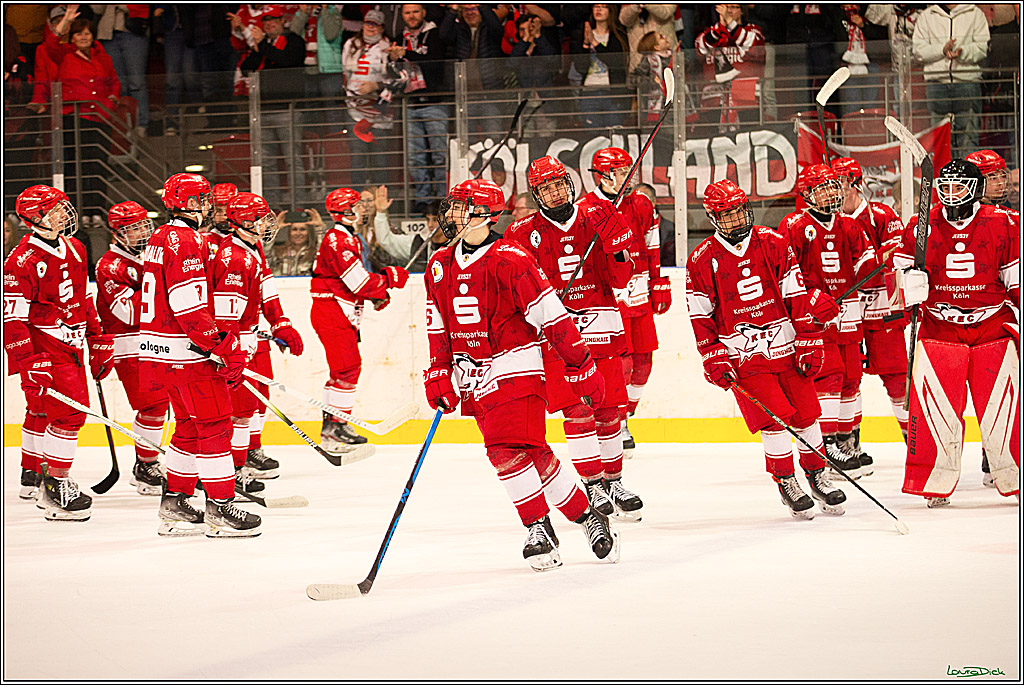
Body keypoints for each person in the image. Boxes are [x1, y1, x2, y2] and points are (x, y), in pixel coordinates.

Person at [424, 178, 619, 570]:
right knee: (530, 450)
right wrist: (438, 372)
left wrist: (580, 365)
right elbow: (437, 327)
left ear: (484, 215)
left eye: (460, 207)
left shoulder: (511, 259)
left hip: (517, 367)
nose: (450, 214)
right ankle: (586, 516)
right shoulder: (439, 264)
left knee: (502, 449)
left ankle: (537, 527)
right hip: (473, 376)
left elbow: (553, 318)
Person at [687, 180, 847, 519]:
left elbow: (796, 294)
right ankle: (786, 480)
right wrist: (712, 355)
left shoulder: (774, 242)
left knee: (806, 415)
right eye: (726, 215)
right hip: (744, 355)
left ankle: (817, 474)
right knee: (775, 420)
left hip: (787, 345)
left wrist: (808, 339)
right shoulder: (701, 260)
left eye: (737, 211)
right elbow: (700, 314)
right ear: (714, 218)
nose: (734, 219)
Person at [506, 156, 643, 521]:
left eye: (558, 183)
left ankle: (614, 481)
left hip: (604, 327)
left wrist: (616, 246)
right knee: (579, 411)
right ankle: (593, 485)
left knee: (610, 410)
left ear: (569, 183)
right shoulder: (520, 234)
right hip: (558, 339)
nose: (554, 192)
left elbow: (619, 279)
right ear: (536, 193)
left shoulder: (598, 217)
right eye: (545, 187)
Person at [889, 160, 1019, 506]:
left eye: (957, 188)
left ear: (975, 191)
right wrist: (909, 285)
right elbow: (898, 280)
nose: (949, 195)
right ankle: (933, 479)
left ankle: (1015, 476)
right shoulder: (921, 224)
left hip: (991, 325)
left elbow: (1016, 280)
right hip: (939, 327)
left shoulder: (1003, 222)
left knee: (1003, 409)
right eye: (944, 188)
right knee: (936, 410)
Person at [140, 172, 260, 538]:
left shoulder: (159, 236)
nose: (205, 206)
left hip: (158, 351)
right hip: (185, 353)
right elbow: (188, 305)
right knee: (215, 425)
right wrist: (222, 346)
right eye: (199, 199)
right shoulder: (186, 239)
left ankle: (174, 502)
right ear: (183, 203)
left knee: (189, 426)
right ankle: (220, 507)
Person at [4, 185, 113, 520]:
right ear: (34, 218)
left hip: (73, 344)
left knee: (62, 413)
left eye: (64, 207)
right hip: (45, 348)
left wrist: (97, 338)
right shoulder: (21, 261)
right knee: (68, 415)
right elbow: (11, 319)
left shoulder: (76, 247)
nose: (64, 214)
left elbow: (83, 297)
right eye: (54, 210)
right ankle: (54, 488)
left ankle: (42, 479)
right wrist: (29, 360)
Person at [779, 164, 878, 479]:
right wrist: (808, 299)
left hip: (849, 311)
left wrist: (887, 259)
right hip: (815, 316)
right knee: (830, 378)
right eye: (823, 188)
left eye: (835, 187)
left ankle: (847, 443)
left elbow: (866, 269)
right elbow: (782, 273)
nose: (832, 193)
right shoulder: (794, 225)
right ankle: (827, 446)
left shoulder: (849, 225)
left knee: (851, 378)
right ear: (807, 193)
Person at [583, 147, 670, 458]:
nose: (626, 178)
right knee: (622, 363)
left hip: (639, 291)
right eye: (619, 172)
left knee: (644, 362)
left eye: (628, 171)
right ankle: (614, 422)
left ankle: (625, 416)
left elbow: (652, 242)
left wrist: (658, 280)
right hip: (608, 296)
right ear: (602, 175)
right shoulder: (586, 208)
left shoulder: (642, 204)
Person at [310, 187, 409, 455]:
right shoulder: (338, 240)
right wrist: (387, 280)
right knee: (348, 368)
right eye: (356, 205)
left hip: (338, 310)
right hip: (331, 310)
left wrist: (377, 295)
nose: (362, 209)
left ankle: (333, 428)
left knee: (343, 370)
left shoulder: (346, 237)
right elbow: (359, 281)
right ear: (344, 210)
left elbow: (357, 283)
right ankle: (336, 425)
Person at [209, 192, 288, 491]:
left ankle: (239, 464)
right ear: (242, 221)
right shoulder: (230, 254)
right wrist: (233, 347)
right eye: (261, 217)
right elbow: (226, 312)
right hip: (233, 344)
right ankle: (232, 471)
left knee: (247, 407)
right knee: (237, 411)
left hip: (246, 339)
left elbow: (263, 285)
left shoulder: (250, 248)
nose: (269, 223)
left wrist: (280, 321)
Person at [832, 158, 909, 457]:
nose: (835, 193)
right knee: (845, 378)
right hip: (846, 313)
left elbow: (895, 259)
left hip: (882, 311)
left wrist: (873, 262)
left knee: (897, 377)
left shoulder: (882, 215)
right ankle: (847, 445)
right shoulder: (826, 222)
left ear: (856, 183)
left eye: (840, 185)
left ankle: (913, 444)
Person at [94, 200, 168, 496]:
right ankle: (145, 465)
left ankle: (148, 462)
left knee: (163, 405)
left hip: (157, 344)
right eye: (133, 228)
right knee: (151, 405)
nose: (141, 232)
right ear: (117, 233)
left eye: (143, 225)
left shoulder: (149, 257)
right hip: (129, 345)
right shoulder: (110, 265)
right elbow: (128, 312)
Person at [46, 11, 121, 228]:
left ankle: (96, 211)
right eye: (79, 34)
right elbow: (51, 42)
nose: (84, 37)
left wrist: (113, 98)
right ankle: (74, 212)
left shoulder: (103, 56)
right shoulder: (64, 54)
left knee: (98, 165)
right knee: (75, 167)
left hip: (99, 117)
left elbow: (114, 82)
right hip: (73, 118)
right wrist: (67, 19)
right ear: (72, 37)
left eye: (87, 33)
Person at [237, 5, 306, 207]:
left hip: (287, 109)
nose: (269, 25)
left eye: (273, 21)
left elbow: (287, 60)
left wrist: (262, 46)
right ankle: (271, 205)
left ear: (282, 21)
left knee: (292, 159)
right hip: (263, 110)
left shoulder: (294, 40)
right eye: (266, 22)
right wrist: (259, 47)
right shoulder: (263, 44)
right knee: (265, 161)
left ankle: (298, 203)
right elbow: (246, 67)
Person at [390, 4, 449, 213]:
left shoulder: (434, 34)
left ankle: (444, 200)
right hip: (410, 103)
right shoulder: (398, 38)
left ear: (424, 13)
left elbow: (435, 64)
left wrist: (406, 54)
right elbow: (393, 72)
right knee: (416, 158)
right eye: (407, 12)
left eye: (415, 11)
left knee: (440, 155)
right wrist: (393, 60)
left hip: (435, 102)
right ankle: (423, 201)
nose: (411, 16)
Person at [912, 4, 990, 156]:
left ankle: (967, 178)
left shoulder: (975, 14)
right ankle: (944, 179)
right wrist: (942, 49)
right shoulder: (927, 16)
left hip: (967, 83)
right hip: (936, 85)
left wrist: (962, 51)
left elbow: (982, 48)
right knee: (940, 142)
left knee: (968, 139)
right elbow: (918, 51)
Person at [694, 4, 765, 134]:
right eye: (725, 7)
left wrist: (731, 25)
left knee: (747, 138)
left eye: (733, 7)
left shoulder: (753, 30)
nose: (728, 11)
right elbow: (700, 49)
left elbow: (754, 47)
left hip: (745, 97)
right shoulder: (712, 32)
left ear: (742, 11)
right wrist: (719, 28)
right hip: (714, 98)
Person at [342, 9, 393, 186]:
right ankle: (356, 201)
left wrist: (377, 86)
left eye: (375, 24)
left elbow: (396, 77)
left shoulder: (388, 47)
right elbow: (345, 72)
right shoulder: (350, 43)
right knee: (357, 158)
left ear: (381, 28)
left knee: (380, 159)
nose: (371, 27)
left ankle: (381, 204)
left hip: (379, 111)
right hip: (355, 111)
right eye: (368, 23)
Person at [93, 4, 150, 137]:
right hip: (107, 35)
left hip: (133, 32)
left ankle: (141, 124)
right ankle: (124, 124)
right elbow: (97, 9)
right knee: (119, 84)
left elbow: (143, 7)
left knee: (136, 82)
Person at [569, 4, 629, 130]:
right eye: (596, 6)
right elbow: (580, 67)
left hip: (612, 92)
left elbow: (616, 62)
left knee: (614, 134)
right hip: (589, 91)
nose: (599, 9)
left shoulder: (618, 35)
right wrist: (586, 44)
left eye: (603, 6)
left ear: (610, 11)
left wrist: (595, 43)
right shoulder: (584, 34)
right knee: (594, 136)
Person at [269, 208, 323, 276]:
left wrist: (320, 227)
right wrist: (273, 230)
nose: (298, 233)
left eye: (302, 229)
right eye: (294, 229)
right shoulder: (279, 252)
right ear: (289, 232)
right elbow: (264, 255)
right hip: (281, 286)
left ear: (309, 232)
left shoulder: (314, 252)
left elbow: (326, 252)